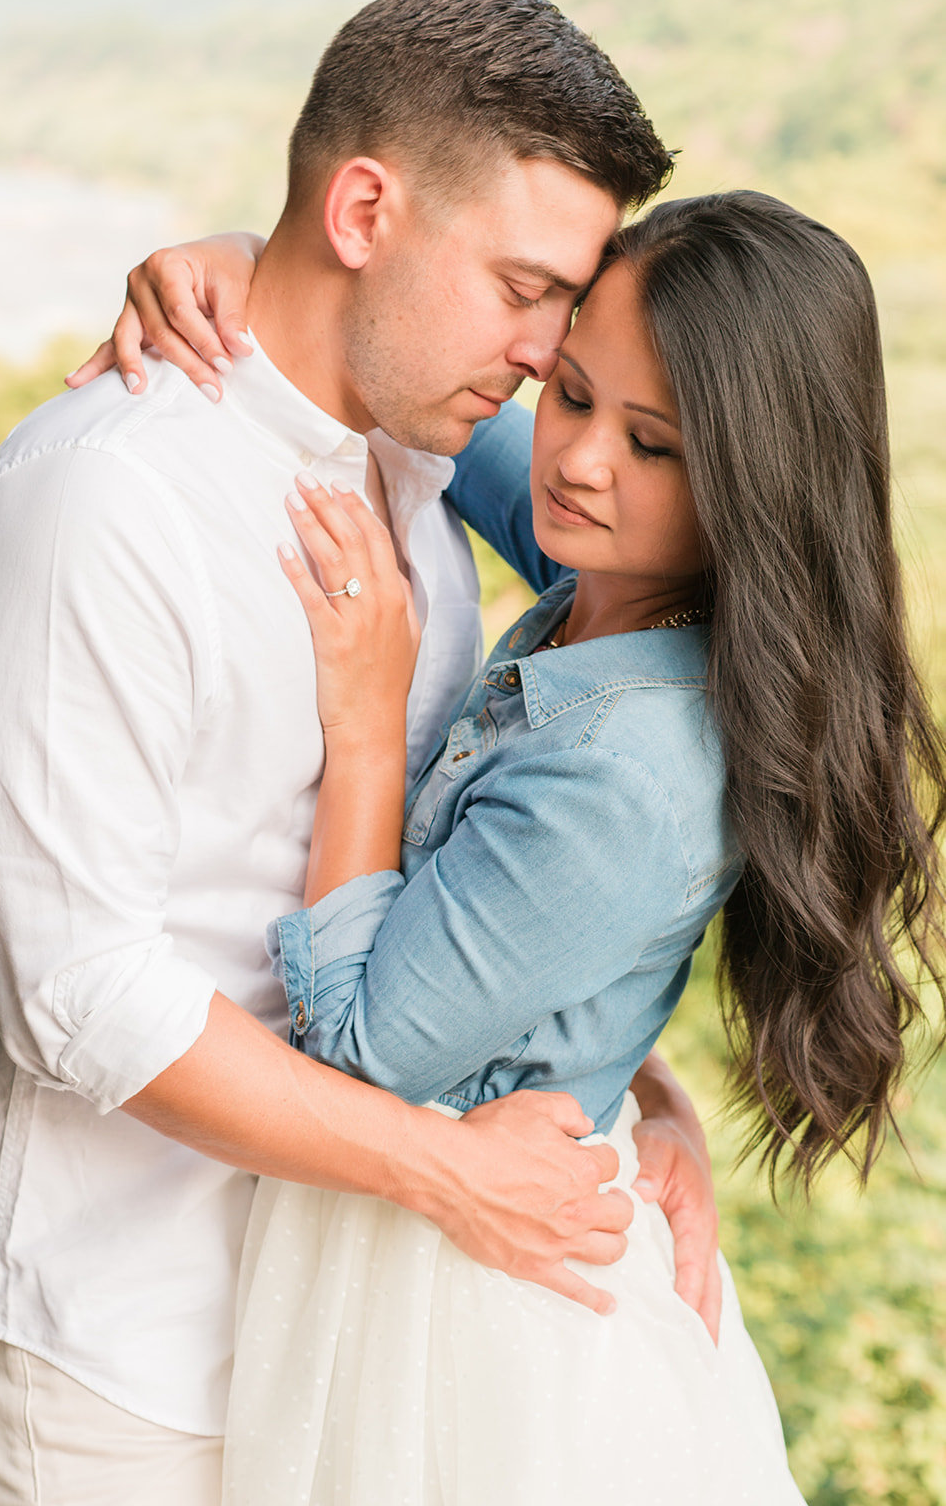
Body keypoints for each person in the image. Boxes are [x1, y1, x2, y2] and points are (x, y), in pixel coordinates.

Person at [0, 0, 724, 1506]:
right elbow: (78, 994)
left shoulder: (416, 460)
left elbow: (535, 833)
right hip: (104, 1344)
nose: (550, 360)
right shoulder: (104, 502)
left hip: (321, 1324)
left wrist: (633, 1096)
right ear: (360, 208)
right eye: (525, 290)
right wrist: (449, 1173)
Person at [95, 193, 946, 1503]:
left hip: (473, 1316)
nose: (582, 461)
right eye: (571, 392)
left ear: (755, 484)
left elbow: (363, 1046)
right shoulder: (610, 576)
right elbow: (441, 398)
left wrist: (367, 726)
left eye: (653, 444)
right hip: (434, 1238)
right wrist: (240, 273)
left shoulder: (630, 765)